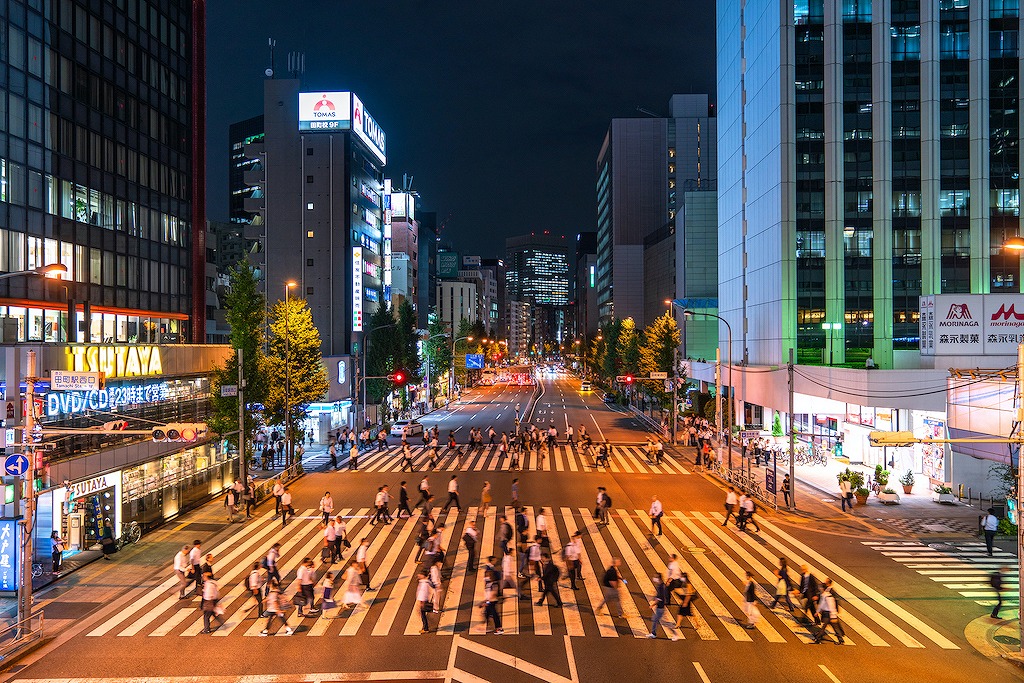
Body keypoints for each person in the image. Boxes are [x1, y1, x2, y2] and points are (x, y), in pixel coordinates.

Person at [812, 579, 845, 644]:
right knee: (834, 628)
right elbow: (821, 604)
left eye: (820, 588)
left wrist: (833, 616)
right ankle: (840, 640)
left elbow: (831, 606)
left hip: (829, 614)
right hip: (828, 614)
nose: (820, 590)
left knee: (827, 627)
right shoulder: (825, 595)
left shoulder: (827, 596)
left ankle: (818, 638)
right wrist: (817, 611)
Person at [647, 574, 677, 640]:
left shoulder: (661, 587)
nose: (654, 578)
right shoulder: (661, 585)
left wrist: (652, 605)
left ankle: (674, 634)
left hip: (661, 607)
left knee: (663, 622)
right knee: (655, 620)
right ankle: (653, 633)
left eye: (656, 577)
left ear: (659, 578)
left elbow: (660, 598)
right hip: (660, 607)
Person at [482, 568, 503, 634]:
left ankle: (499, 628)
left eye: (488, 575)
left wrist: (487, 602)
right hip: (489, 601)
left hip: (491, 601)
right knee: (487, 614)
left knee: (494, 615)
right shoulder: (489, 583)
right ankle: (489, 627)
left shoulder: (494, 584)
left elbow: (493, 593)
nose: (486, 577)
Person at [416, 569, 433, 634]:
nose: (418, 575)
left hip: (423, 601)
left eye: (420, 574)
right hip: (423, 600)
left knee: (423, 615)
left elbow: (423, 592)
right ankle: (425, 627)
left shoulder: (424, 583)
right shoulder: (423, 582)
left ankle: (426, 628)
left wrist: (422, 602)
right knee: (423, 615)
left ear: (423, 576)